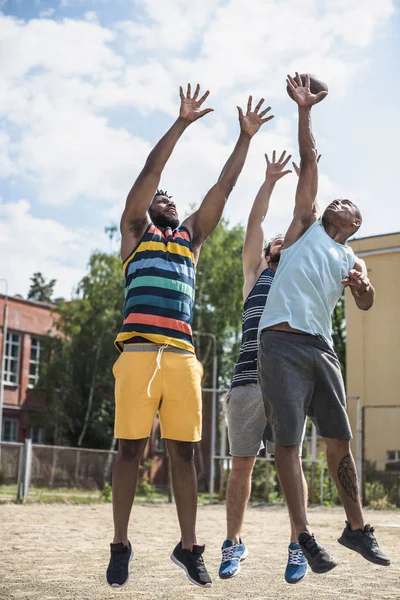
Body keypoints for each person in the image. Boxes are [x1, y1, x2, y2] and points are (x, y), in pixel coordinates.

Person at [106, 83, 274, 589]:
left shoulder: (191, 241)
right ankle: (120, 544)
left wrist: (243, 138)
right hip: (137, 354)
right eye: (163, 197)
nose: (168, 196)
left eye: (172, 197)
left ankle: (187, 546)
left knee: (185, 454)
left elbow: (222, 189)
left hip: (181, 358)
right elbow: (149, 175)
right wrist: (180, 123)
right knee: (129, 452)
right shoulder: (136, 234)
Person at [258, 73, 390, 574]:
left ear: (356, 223)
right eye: (337, 200)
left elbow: (367, 303)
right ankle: (306, 537)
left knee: (340, 439)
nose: (339, 202)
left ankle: (356, 528)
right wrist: (305, 109)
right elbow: (309, 161)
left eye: (349, 206)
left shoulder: (350, 255)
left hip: (322, 350)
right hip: (282, 344)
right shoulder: (306, 226)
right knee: (288, 443)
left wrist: (364, 288)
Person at [218, 150, 309, 584]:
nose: (279, 240)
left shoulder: (296, 275)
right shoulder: (254, 274)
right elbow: (254, 223)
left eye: (284, 240)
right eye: (276, 240)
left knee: (291, 464)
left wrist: (308, 170)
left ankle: (299, 545)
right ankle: (233, 543)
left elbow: (306, 215)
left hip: (287, 382)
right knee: (240, 465)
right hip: (246, 382)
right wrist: (270, 180)